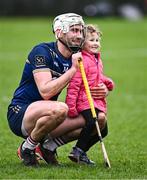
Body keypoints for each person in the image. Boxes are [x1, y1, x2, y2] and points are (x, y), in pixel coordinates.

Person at [7, 13, 109, 167]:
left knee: (98, 120)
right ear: (59, 32)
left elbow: (92, 78)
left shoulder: (76, 55)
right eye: (74, 30)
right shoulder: (42, 51)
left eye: (81, 31)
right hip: (21, 114)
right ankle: (27, 148)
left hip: (50, 117)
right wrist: (73, 69)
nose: (79, 35)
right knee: (60, 108)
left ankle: (48, 148)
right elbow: (46, 91)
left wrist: (104, 89)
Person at [65, 24, 114, 165]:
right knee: (93, 121)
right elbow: (73, 86)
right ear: (82, 43)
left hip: (94, 100)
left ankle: (81, 152)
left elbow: (97, 76)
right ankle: (78, 150)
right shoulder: (82, 60)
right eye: (91, 40)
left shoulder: (96, 59)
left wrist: (108, 82)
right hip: (83, 100)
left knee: (103, 131)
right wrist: (71, 107)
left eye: (97, 40)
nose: (95, 43)